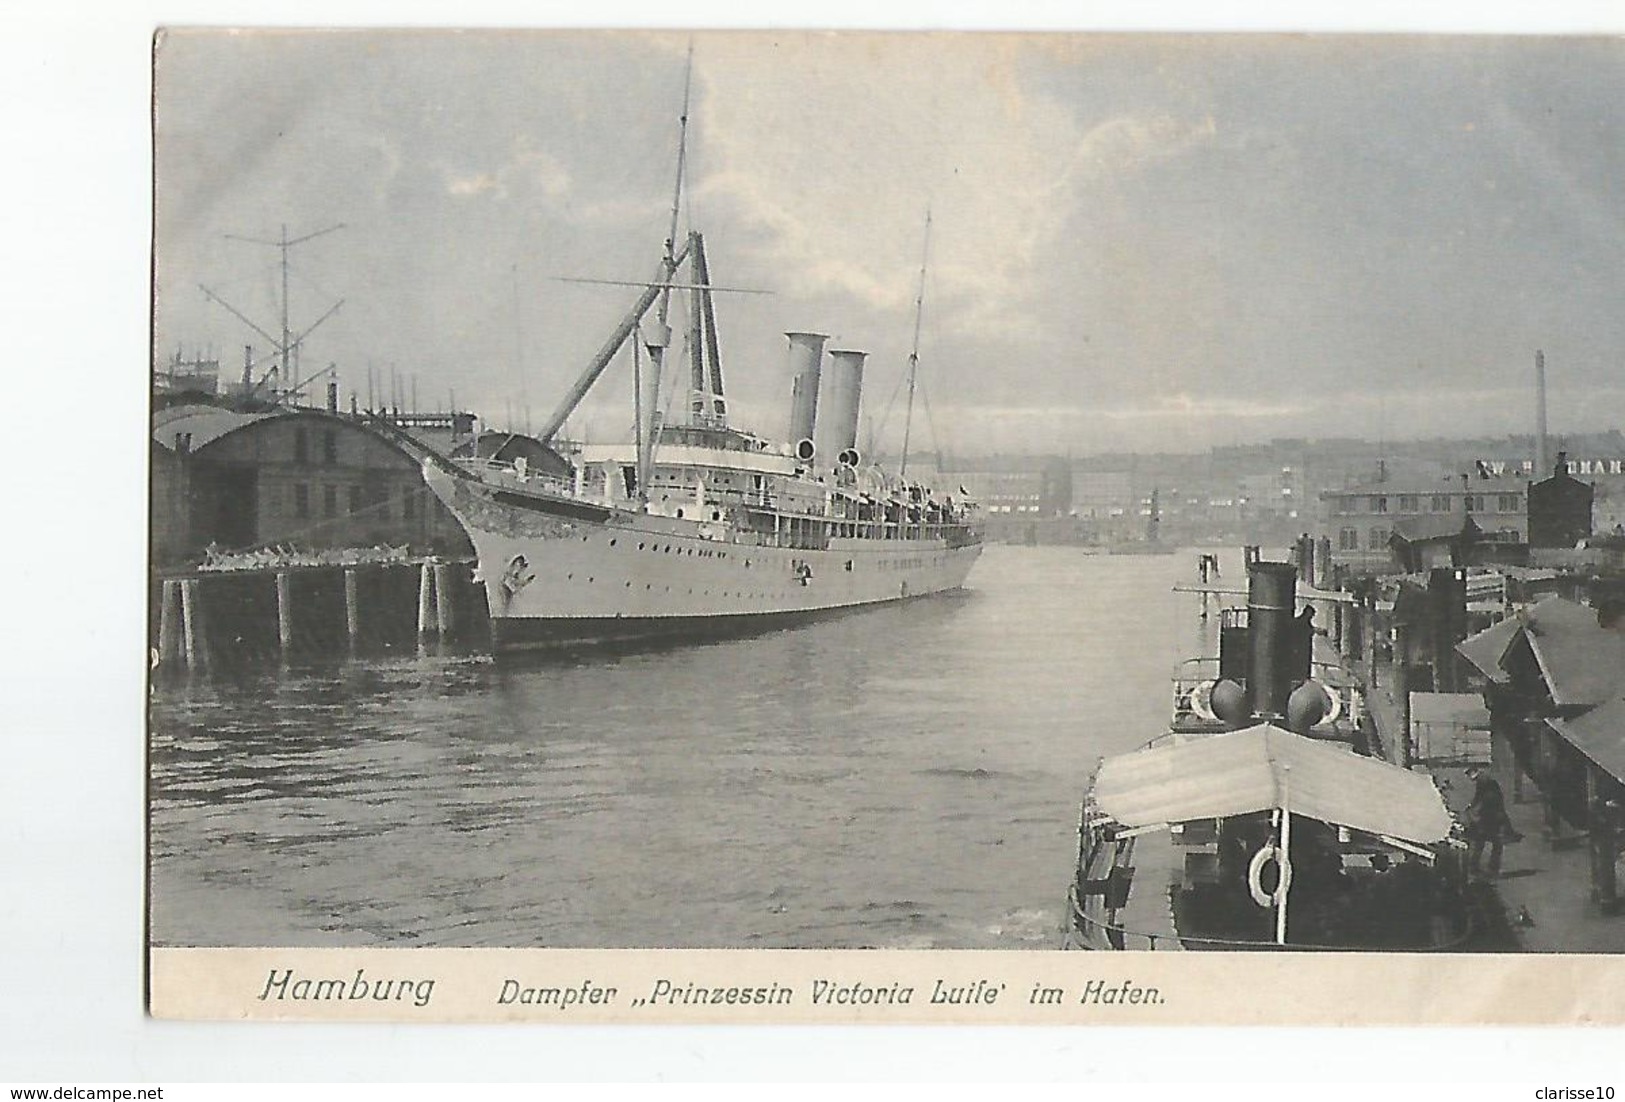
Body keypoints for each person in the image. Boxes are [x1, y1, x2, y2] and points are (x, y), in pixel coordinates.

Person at [1464, 766, 1513, 879]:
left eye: (1469, 775)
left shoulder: (1483, 782)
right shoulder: (1487, 781)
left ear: (1473, 772)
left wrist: (1473, 809)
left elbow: (1481, 799)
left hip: (1488, 818)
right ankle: (1491, 868)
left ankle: (1475, 868)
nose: (1471, 780)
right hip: (1492, 817)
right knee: (1494, 844)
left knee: (1481, 843)